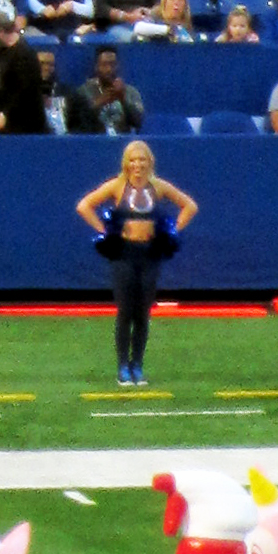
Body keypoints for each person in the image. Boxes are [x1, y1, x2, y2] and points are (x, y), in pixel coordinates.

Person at [75, 140, 199, 388]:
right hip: (123, 253)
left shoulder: (159, 186)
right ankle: (122, 367)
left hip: (150, 253)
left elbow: (190, 206)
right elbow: (84, 206)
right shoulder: (117, 185)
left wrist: (171, 231)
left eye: (142, 159)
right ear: (126, 163)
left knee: (143, 312)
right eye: (132, 160)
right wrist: (105, 231)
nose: (137, 164)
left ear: (149, 162)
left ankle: (137, 365)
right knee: (125, 310)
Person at [0, 10, 47, 132]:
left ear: (0, 32)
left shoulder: (24, 54)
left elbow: (26, 93)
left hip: (22, 128)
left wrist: (4, 115)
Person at [66, 45, 146, 133]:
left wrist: (122, 99)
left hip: (121, 140)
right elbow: (76, 124)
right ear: (96, 67)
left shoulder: (130, 91)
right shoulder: (83, 92)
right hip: (94, 140)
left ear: (118, 66)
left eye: (112, 64)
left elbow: (138, 122)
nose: (109, 69)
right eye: (104, 65)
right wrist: (100, 102)